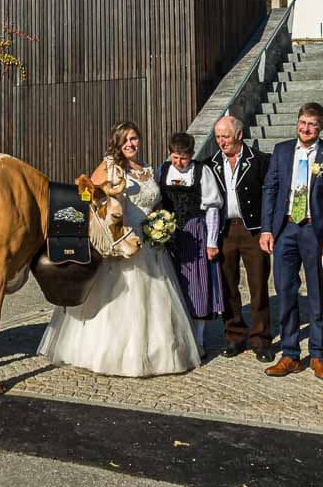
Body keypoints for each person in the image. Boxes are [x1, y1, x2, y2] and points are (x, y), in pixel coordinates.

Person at [38, 121, 201, 376]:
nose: (130, 144)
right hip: (121, 242)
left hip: (151, 244)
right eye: (125, 140)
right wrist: (106, 203)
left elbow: (155, 203)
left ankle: (157, 353)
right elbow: (88, 196)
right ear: (117, 142)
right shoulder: (110, 166)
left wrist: (161, 224)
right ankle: (109, 355)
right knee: (120, 300)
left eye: (134, 138)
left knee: (156, 303)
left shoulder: (147, 167)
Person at [258, 102, 323, 380]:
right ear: (297, 123)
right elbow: (271, 188)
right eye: (303, 122)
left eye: (312, 124)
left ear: (321, 127)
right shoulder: (282, 150)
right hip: (285, 228)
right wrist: (266, 229)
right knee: (285, 290)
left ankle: (319, 353)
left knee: (317, 293)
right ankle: (290, 353)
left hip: (313, 231)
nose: (306, 128)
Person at [207, 115, 274, 361]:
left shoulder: (260, 160)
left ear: (239, 135)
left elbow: (271, 195)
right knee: (227, 285)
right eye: (217, 137)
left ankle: (260, 339)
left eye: (225, 136)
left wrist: (268, 229)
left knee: (258, 285)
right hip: (224, 230)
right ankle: (234, 335)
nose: (221, 142)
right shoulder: (210, 163)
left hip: (253, 230)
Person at [158, 131, 224, 359]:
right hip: (168, 234)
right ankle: (174, 337)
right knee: (173, 285)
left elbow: (213, 207)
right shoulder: (163, 170)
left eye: (183, 158)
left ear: (191, 154)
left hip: (194, 233)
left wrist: (212, 241)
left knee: (197, 286)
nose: (179, 162)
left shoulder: (201, 171)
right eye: (175, 157)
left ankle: (198, 339)